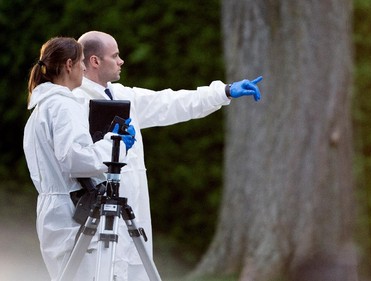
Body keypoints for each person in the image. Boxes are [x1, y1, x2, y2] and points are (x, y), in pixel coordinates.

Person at [73, 30, 263, 281]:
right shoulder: (74, 101)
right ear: (95, 61)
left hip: (132, 206)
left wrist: (224, 92)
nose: (121, 61)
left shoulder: (123, 95)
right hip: (96, 209)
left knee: (136, 269)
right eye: (115, 56)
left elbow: (172, 102)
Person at [23, 37, 134, 281]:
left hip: (54, 212)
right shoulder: (64, 106)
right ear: (69, 64)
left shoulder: (41, 108)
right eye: (82, 62)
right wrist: (114, 142)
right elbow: (76, 160)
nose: (85, 68)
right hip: (72, 213)